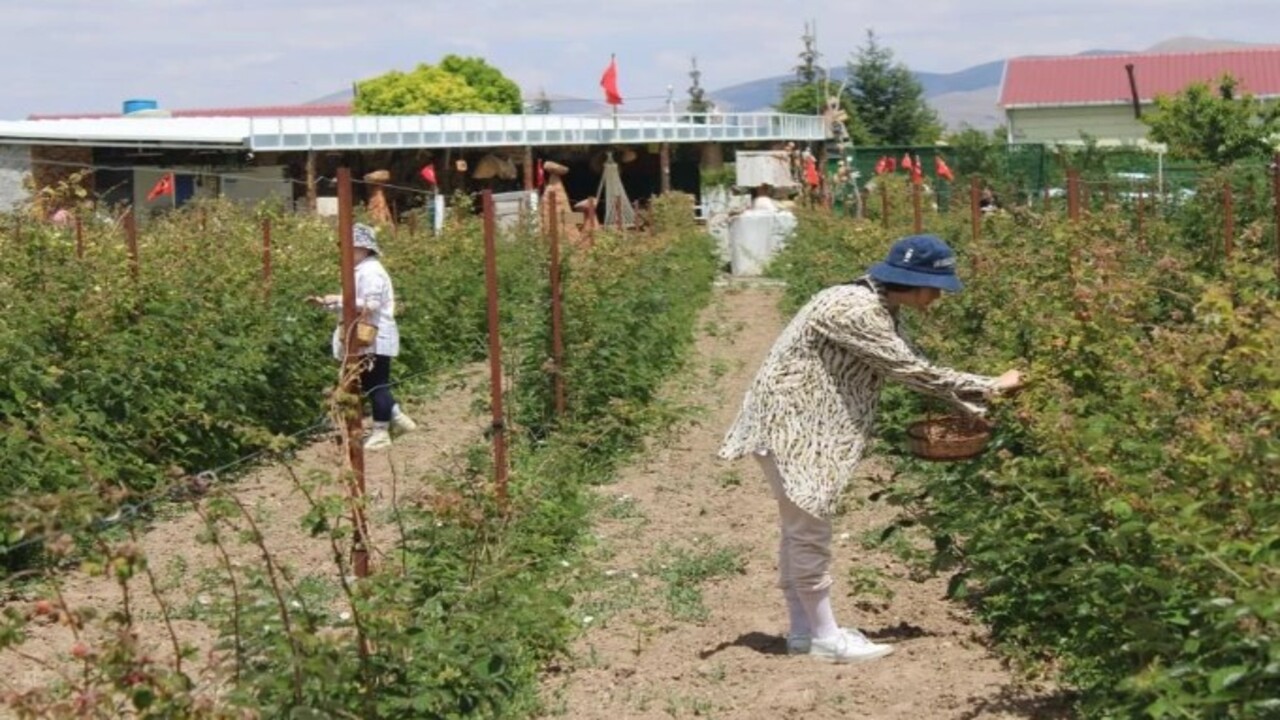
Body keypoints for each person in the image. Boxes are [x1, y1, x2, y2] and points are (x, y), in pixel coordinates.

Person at [717, 234, 1023, 664]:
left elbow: (909, 359)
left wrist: (970, 401)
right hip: (796, 430)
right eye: (936, 288)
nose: (938, 297)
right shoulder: (854, 309)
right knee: (809, 528)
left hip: (797, 425)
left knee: (798, 527)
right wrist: (990, 386)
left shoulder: (871, 303)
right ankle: (826, 638)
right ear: (914, 282)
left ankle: (803, 632)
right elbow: (909, 370)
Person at [308, 223, 417, 450]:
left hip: (375, 335)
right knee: (370, 382)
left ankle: (381, 431)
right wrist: (329, 303)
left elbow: (372, 303)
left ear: (364, 249)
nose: (346, 251)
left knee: (376, 384)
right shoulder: (360, 270)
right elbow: (351, 305)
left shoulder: (371, 271)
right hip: (365, 335)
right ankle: (397, 418)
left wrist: (337, 299)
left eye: (351, 247)